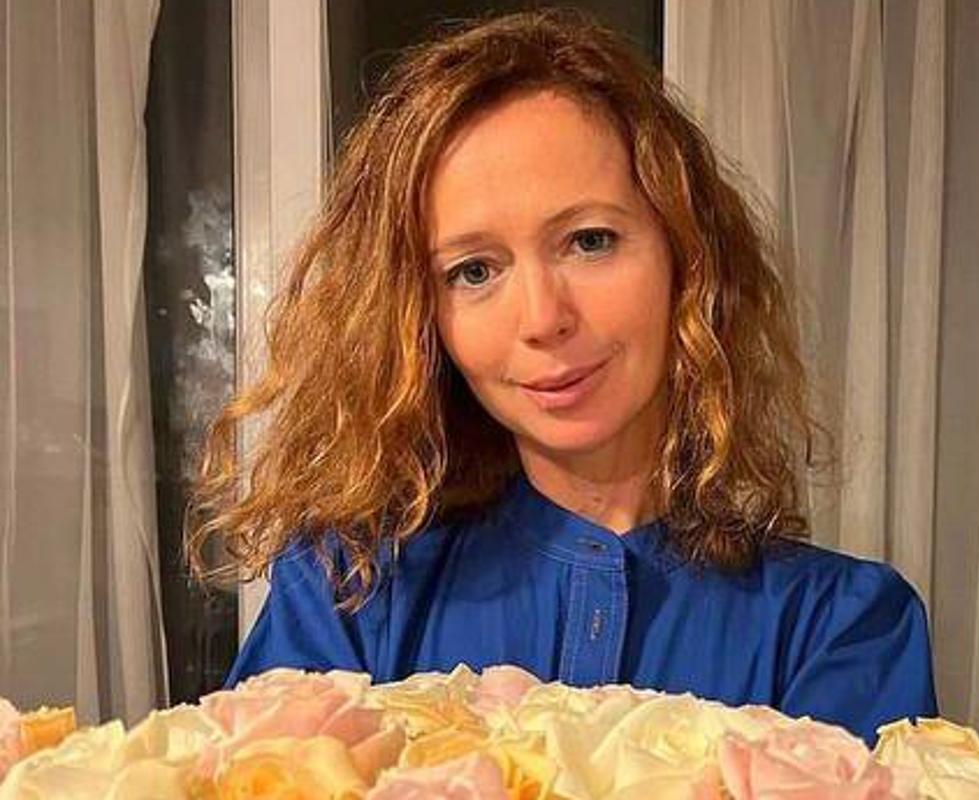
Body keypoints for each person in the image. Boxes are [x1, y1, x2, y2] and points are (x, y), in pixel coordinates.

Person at [188, 9, 936, 747]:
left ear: (688, 259)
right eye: (473, 271)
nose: (543, 318)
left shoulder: (841, 627)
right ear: (420, 318)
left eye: (590, 240)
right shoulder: (347, 590)